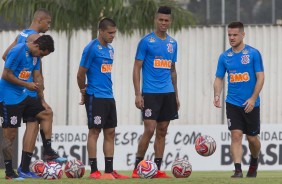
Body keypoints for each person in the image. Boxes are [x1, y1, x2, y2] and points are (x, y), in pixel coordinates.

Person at [2, 8, 66, 163]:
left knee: (37, 120)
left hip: (22, 88)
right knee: (33, 123)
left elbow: (5, 56)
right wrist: (29, 84)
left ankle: (29, 164)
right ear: (39, 20)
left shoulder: (22, 34)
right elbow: (38, 74)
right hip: (26, 91)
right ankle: (24, 166)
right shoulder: (37, 38)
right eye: (48, 22)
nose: (49, 26)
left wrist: (20, 73)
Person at [77, 18, 129, 180]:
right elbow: (80, 74)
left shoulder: (110, 50)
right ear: (101, 31)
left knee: (110, 132)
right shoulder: (91, 48)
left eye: (114, 33)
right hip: (95, 95)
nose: (113, 35)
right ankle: (93, 171)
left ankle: (109, 171)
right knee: (94, 131)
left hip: (108, 96)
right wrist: (83, 91)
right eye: (110, 33)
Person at [132, 6, 179, 178]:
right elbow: (136, 68)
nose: (164, 23)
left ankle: (157, 169)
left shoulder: (173, 43)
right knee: (150, 129)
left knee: (162, 130)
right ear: (155, 20)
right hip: (150, 93)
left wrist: (176, 95)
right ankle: (137, 167)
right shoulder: (146, 42)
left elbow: (173, 70)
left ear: (170, 21)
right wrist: (138, 94)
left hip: (168, 93)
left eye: (166, 20)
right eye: (161, 20)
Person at [213, 22, 264, 178]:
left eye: (235, 35)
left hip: (251, 104)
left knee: (252, 138)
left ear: (243, 35)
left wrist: (253, 98)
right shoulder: (224, 57)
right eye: (229, 35)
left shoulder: (253, 54)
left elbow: (261, 77)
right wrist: (216, 94)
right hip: (232, 102)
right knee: (235, 135)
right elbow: (219, 78)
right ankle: (237, 170)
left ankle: (254, 161)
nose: (232, 38)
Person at [0, 35, 55, 179]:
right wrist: (26, 84)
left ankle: (48, 150)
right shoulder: (18, 50)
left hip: (25, 95)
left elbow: (37, 76)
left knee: (46, 113)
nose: (41, 57)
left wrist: (42, 99)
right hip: (9, 98)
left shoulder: (36, 57)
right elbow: (6, 75)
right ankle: (9, 172)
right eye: (42, 54)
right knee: (9, 135)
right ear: (37, 46)